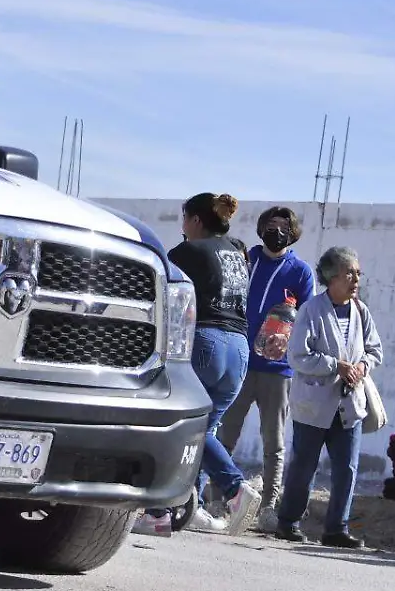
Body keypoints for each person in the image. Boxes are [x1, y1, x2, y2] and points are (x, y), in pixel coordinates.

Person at [132, 192, 261, 538]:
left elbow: (159, 288)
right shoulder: (237, 251)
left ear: (197, 221)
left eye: (185, 218)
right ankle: (182, 509)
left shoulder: (187, 252)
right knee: (206, 431)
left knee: (186, 426)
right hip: (238, 349)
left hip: (205, 343)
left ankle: (234, 490)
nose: (181, 225)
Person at [217, 206, 317, 533]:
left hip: (277, 370)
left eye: (283, 226)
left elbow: (307, 320)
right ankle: (218, 498)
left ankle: (270, 505)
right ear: (261, 229)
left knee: (273, 440)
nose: (276, 231)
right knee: (225, 432)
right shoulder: (247, 259)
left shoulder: (300, 272)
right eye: (271, 225)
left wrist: (288, 343)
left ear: (293, 232)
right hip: (241, 362)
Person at [274, 246, 382, 548]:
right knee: (303, 466)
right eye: (350, 272)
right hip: (314, 404)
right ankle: (289, 522)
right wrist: (336, 365)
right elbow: (298, 356)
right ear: (332, 277)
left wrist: (361, 366)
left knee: (347, 468)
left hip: (349, 405)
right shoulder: (311, 310)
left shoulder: (362, 311)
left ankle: (337, 528)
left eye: (358, 273)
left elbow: (375, 351)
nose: (356, 279)